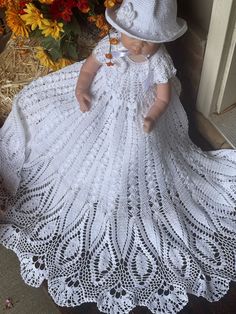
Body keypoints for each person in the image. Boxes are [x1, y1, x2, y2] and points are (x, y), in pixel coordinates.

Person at [0, 1, 236, 313]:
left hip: (140, 119)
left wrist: (152, 117)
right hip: (101, 105)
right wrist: (82, 89)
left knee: (136, 161)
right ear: (120, 30)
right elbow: (88, 70)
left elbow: (163, 96)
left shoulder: (159, 63)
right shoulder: (110, 44)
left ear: (163, 40)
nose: (139, 45)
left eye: (149, 40)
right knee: (72, 143)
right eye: (134, 36)